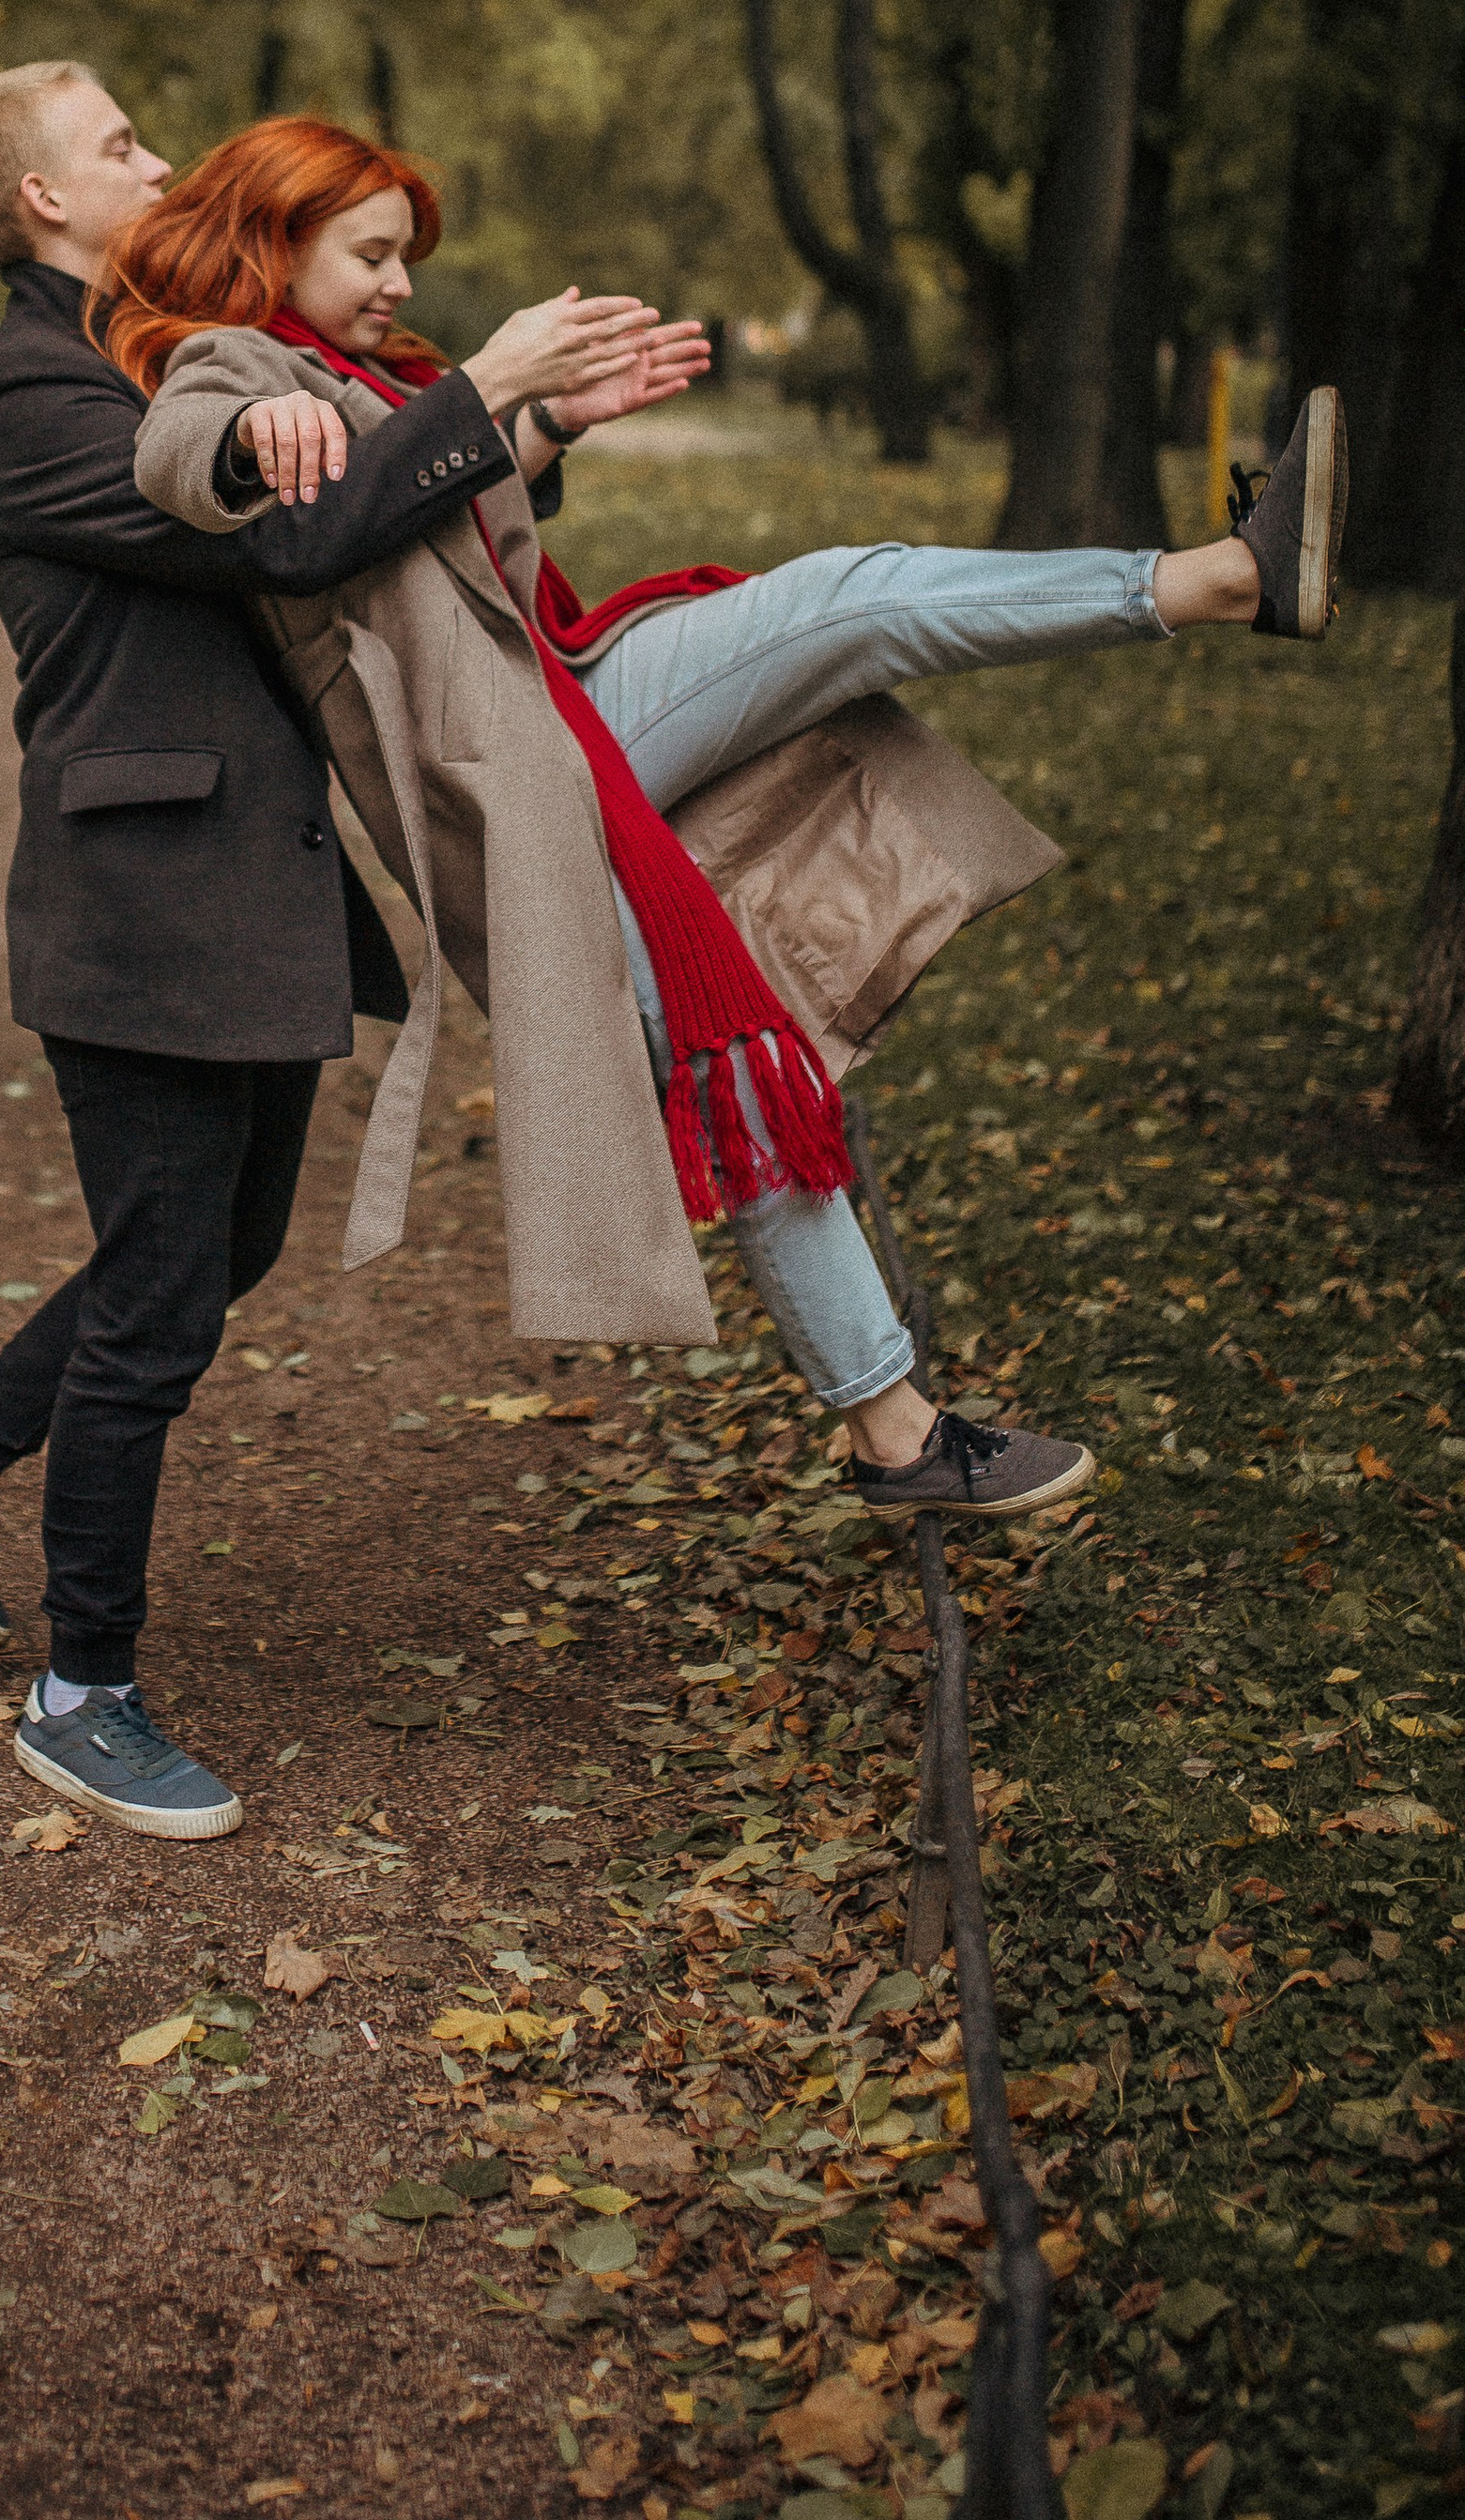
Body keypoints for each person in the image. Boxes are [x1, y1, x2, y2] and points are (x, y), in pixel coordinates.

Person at [121, 116, 1347, 1521]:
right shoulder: (240, 367)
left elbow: (421, 522)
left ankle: (893, 1430)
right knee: (849, 597)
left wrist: (540, 425)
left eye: (407, 255)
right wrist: (405, 406)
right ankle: (1215, 583)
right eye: (374, 250)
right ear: (272, 233)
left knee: (736, 1049)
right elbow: (227, 484)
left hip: (558, 725)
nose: (400, 280)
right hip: (520, 769)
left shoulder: (354, 371)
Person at [0, 61, 676, 1840]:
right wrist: (482, 389)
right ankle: (88, 1690)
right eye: (123, 142)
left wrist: (535, 430)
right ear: (44, 203)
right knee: (160, 1291)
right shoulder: (31, 392)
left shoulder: (158, 347)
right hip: (141, 901)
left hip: (254, 881)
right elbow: (298, 540)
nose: (162, 156)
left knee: (222, 1247)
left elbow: (370, 530)